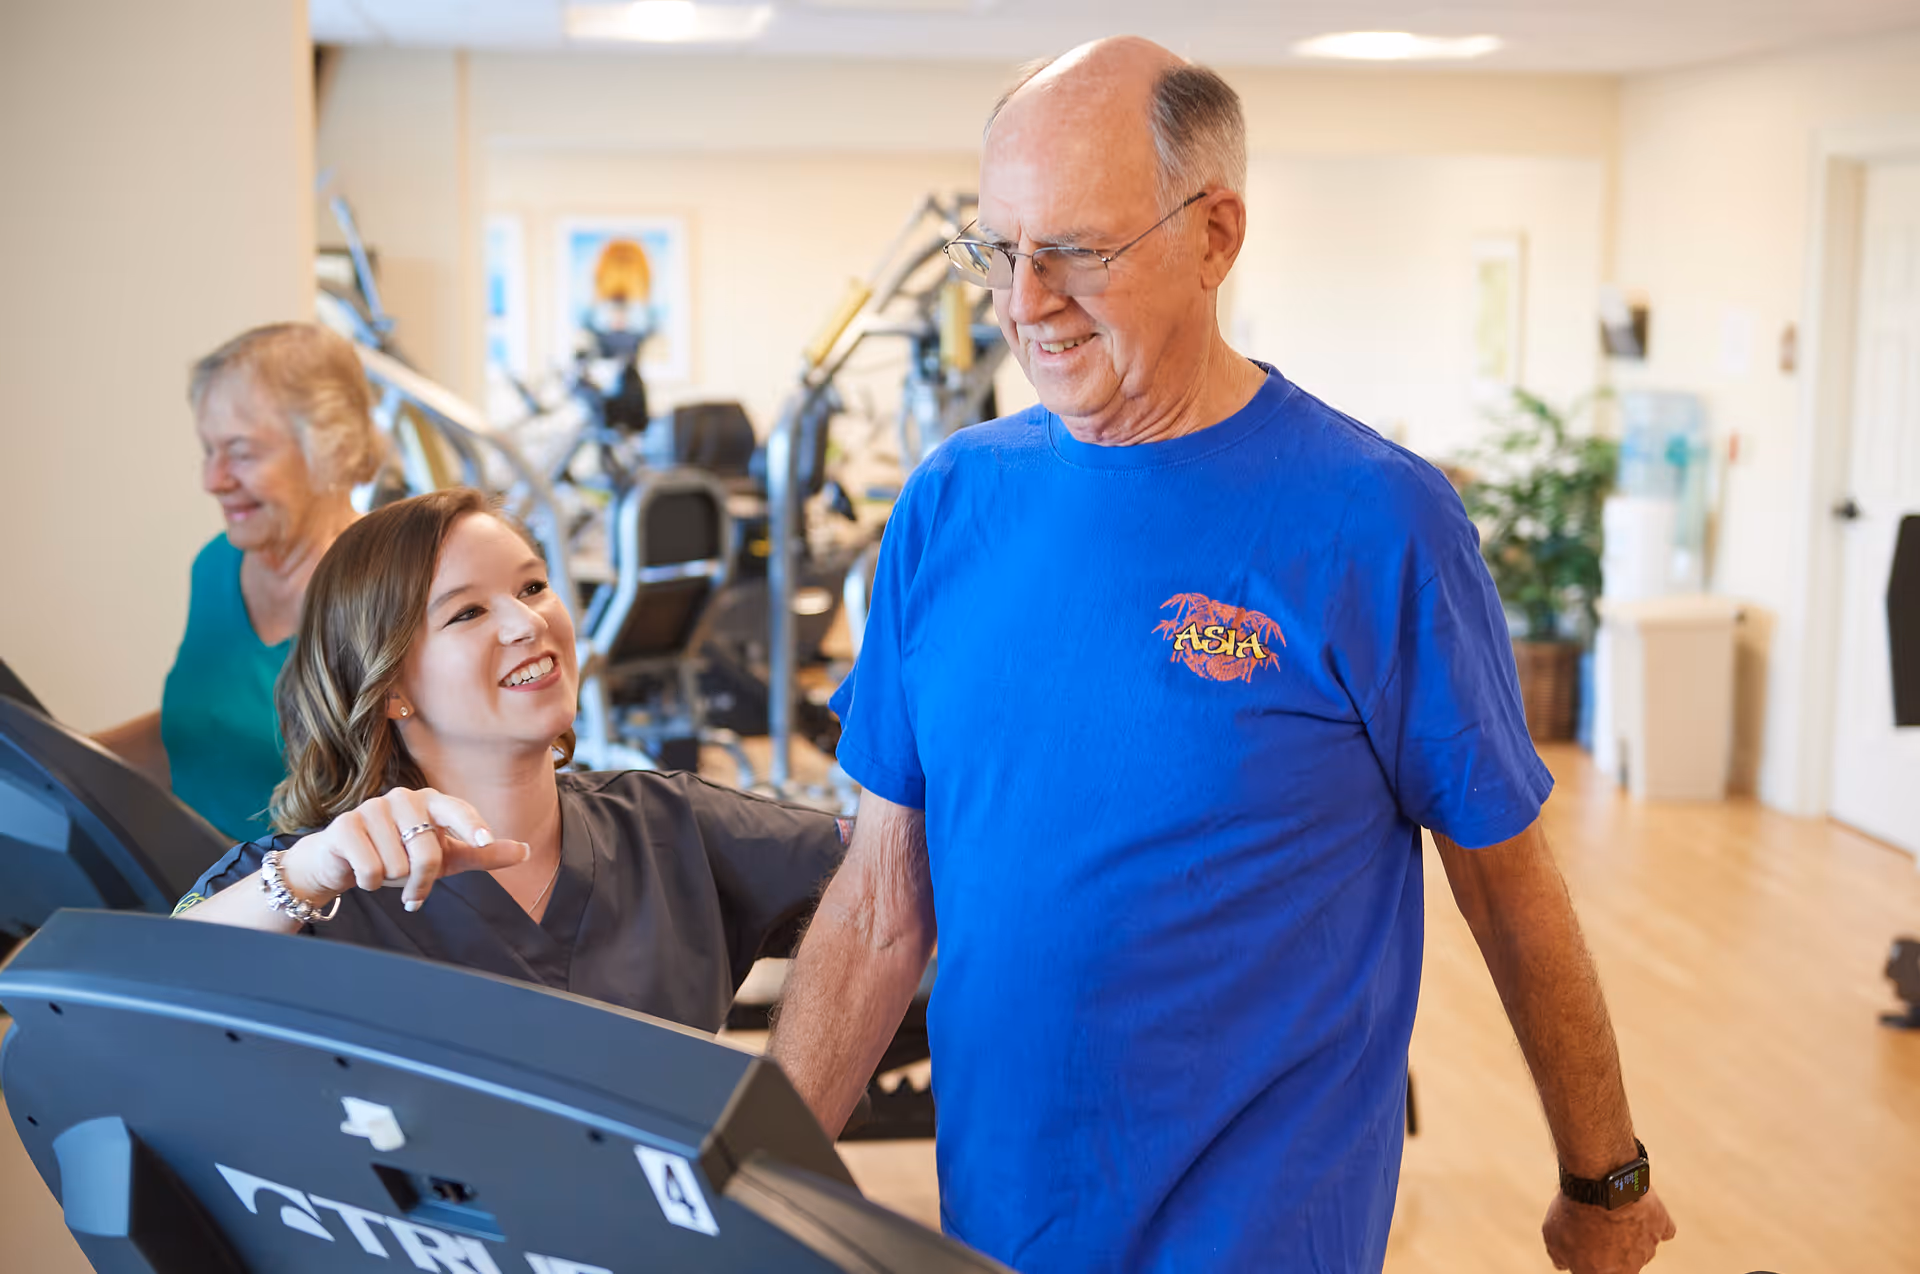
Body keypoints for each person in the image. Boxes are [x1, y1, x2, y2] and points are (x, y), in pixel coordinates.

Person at [768, 37, 1678, 1274]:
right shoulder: (948, 504)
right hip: (999, 1225)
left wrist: (1605, 1174)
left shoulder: (1375, 519)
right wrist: (730, 1190)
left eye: (1077, 250)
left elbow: (1504, 884)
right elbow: (881, 903)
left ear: (1216, 234)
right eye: (999, 251)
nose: (1025, 301)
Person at [174, 488, 846, 1030]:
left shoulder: (670, 824)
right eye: (466, 613)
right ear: (391, 690)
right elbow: (144, 997)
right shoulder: (318, 882)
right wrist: (308, 872)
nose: (528, 624)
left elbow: (902, 864)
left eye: (532, 588)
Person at [96, 322, 383, 843]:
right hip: (191, 883)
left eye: (242, 453)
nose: (214, 480)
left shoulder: (389, 590)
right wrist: (49, 759)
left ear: (331, 449)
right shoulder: (217, 564)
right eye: (208, 450)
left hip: (311, 904)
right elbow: (202, 731)